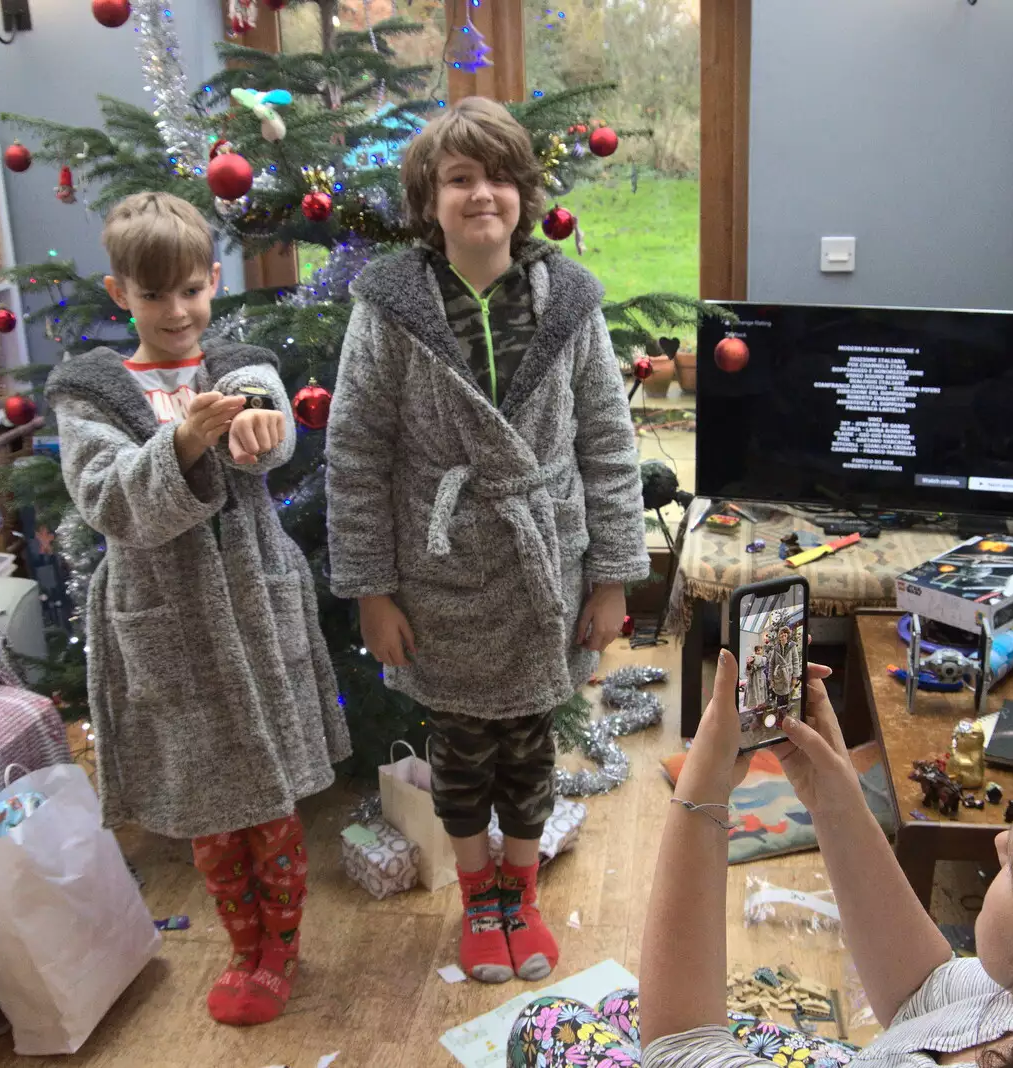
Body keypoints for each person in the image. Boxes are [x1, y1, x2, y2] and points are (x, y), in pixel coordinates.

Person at [510, 649, 1013, 1067]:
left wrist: (700, 801)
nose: (1002, 841)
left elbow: (686, 1045)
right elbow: (929, 994)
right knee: (617, 1009)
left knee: (547, 1023)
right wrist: (833, 790)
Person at [325, 97, 649, 985]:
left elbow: (607, 445)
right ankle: (479, 897)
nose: (482, 195)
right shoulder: (388, 310)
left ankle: (524, 891)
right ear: (429, 198)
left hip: (547, 555)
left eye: (498, 177)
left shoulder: (570, 303)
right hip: (443, 565)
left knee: (534, 738)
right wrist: (373, 588)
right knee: (462, 744)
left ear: (524, 193)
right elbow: (355, 454)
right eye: (460, 178)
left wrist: (613, 576)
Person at [46, 192, 351, 1028]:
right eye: (153, 296)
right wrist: (183, 443)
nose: (176, 312)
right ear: (121, 295)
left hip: (254, 607)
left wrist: (259, 427)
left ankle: (280, 949)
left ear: (213, 282)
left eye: (190, 290)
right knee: (211, 811)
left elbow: (274, 426)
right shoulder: (88, 395)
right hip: (164, 621)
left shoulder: (240, 367)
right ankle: (241, 944)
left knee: (272, 802)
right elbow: (109, 500)